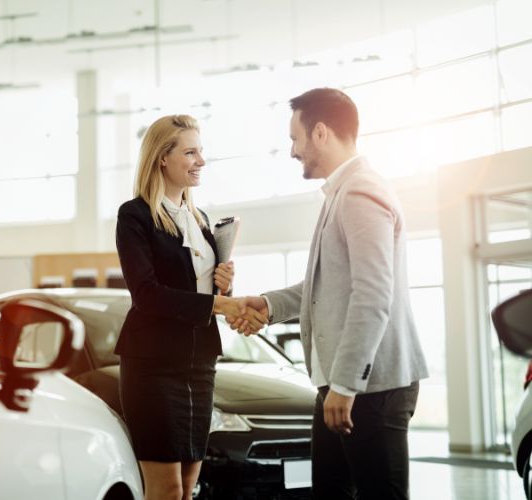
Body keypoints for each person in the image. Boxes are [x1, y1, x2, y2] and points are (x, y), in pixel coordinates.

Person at [232, 88, 429, 500]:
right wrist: (268, 306)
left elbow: (373, 293)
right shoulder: (342, 192)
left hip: (370, 389)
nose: (292, 151)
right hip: (345, 386)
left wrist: (344, 385)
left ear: (319, 133)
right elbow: (328, 285)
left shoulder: (360, 192)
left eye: (294, 139)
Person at [115, 114, 266, 500]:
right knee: (164, 491)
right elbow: (146, 294)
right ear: (162, 158)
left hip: (200, 365)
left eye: (201, 152)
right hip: (154, 367)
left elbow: (198, 288)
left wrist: (223, 282)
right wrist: (219, 303)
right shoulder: (135, 216)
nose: (201, 161)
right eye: (191, 152)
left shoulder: (200, 220)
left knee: (186, 489)